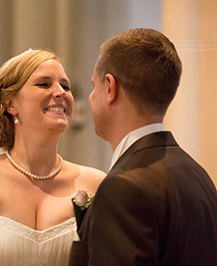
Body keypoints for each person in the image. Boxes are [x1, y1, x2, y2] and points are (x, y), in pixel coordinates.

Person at [0, 49, 106, 265]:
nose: (60, 92)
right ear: (11, 104)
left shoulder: (95, 183)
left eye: (66, 86)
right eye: (44, 84)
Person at [69, 28, 217, 265]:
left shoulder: (123, 187)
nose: (90, 97)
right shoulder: (197, 175)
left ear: (110, 88)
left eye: (93, 85)